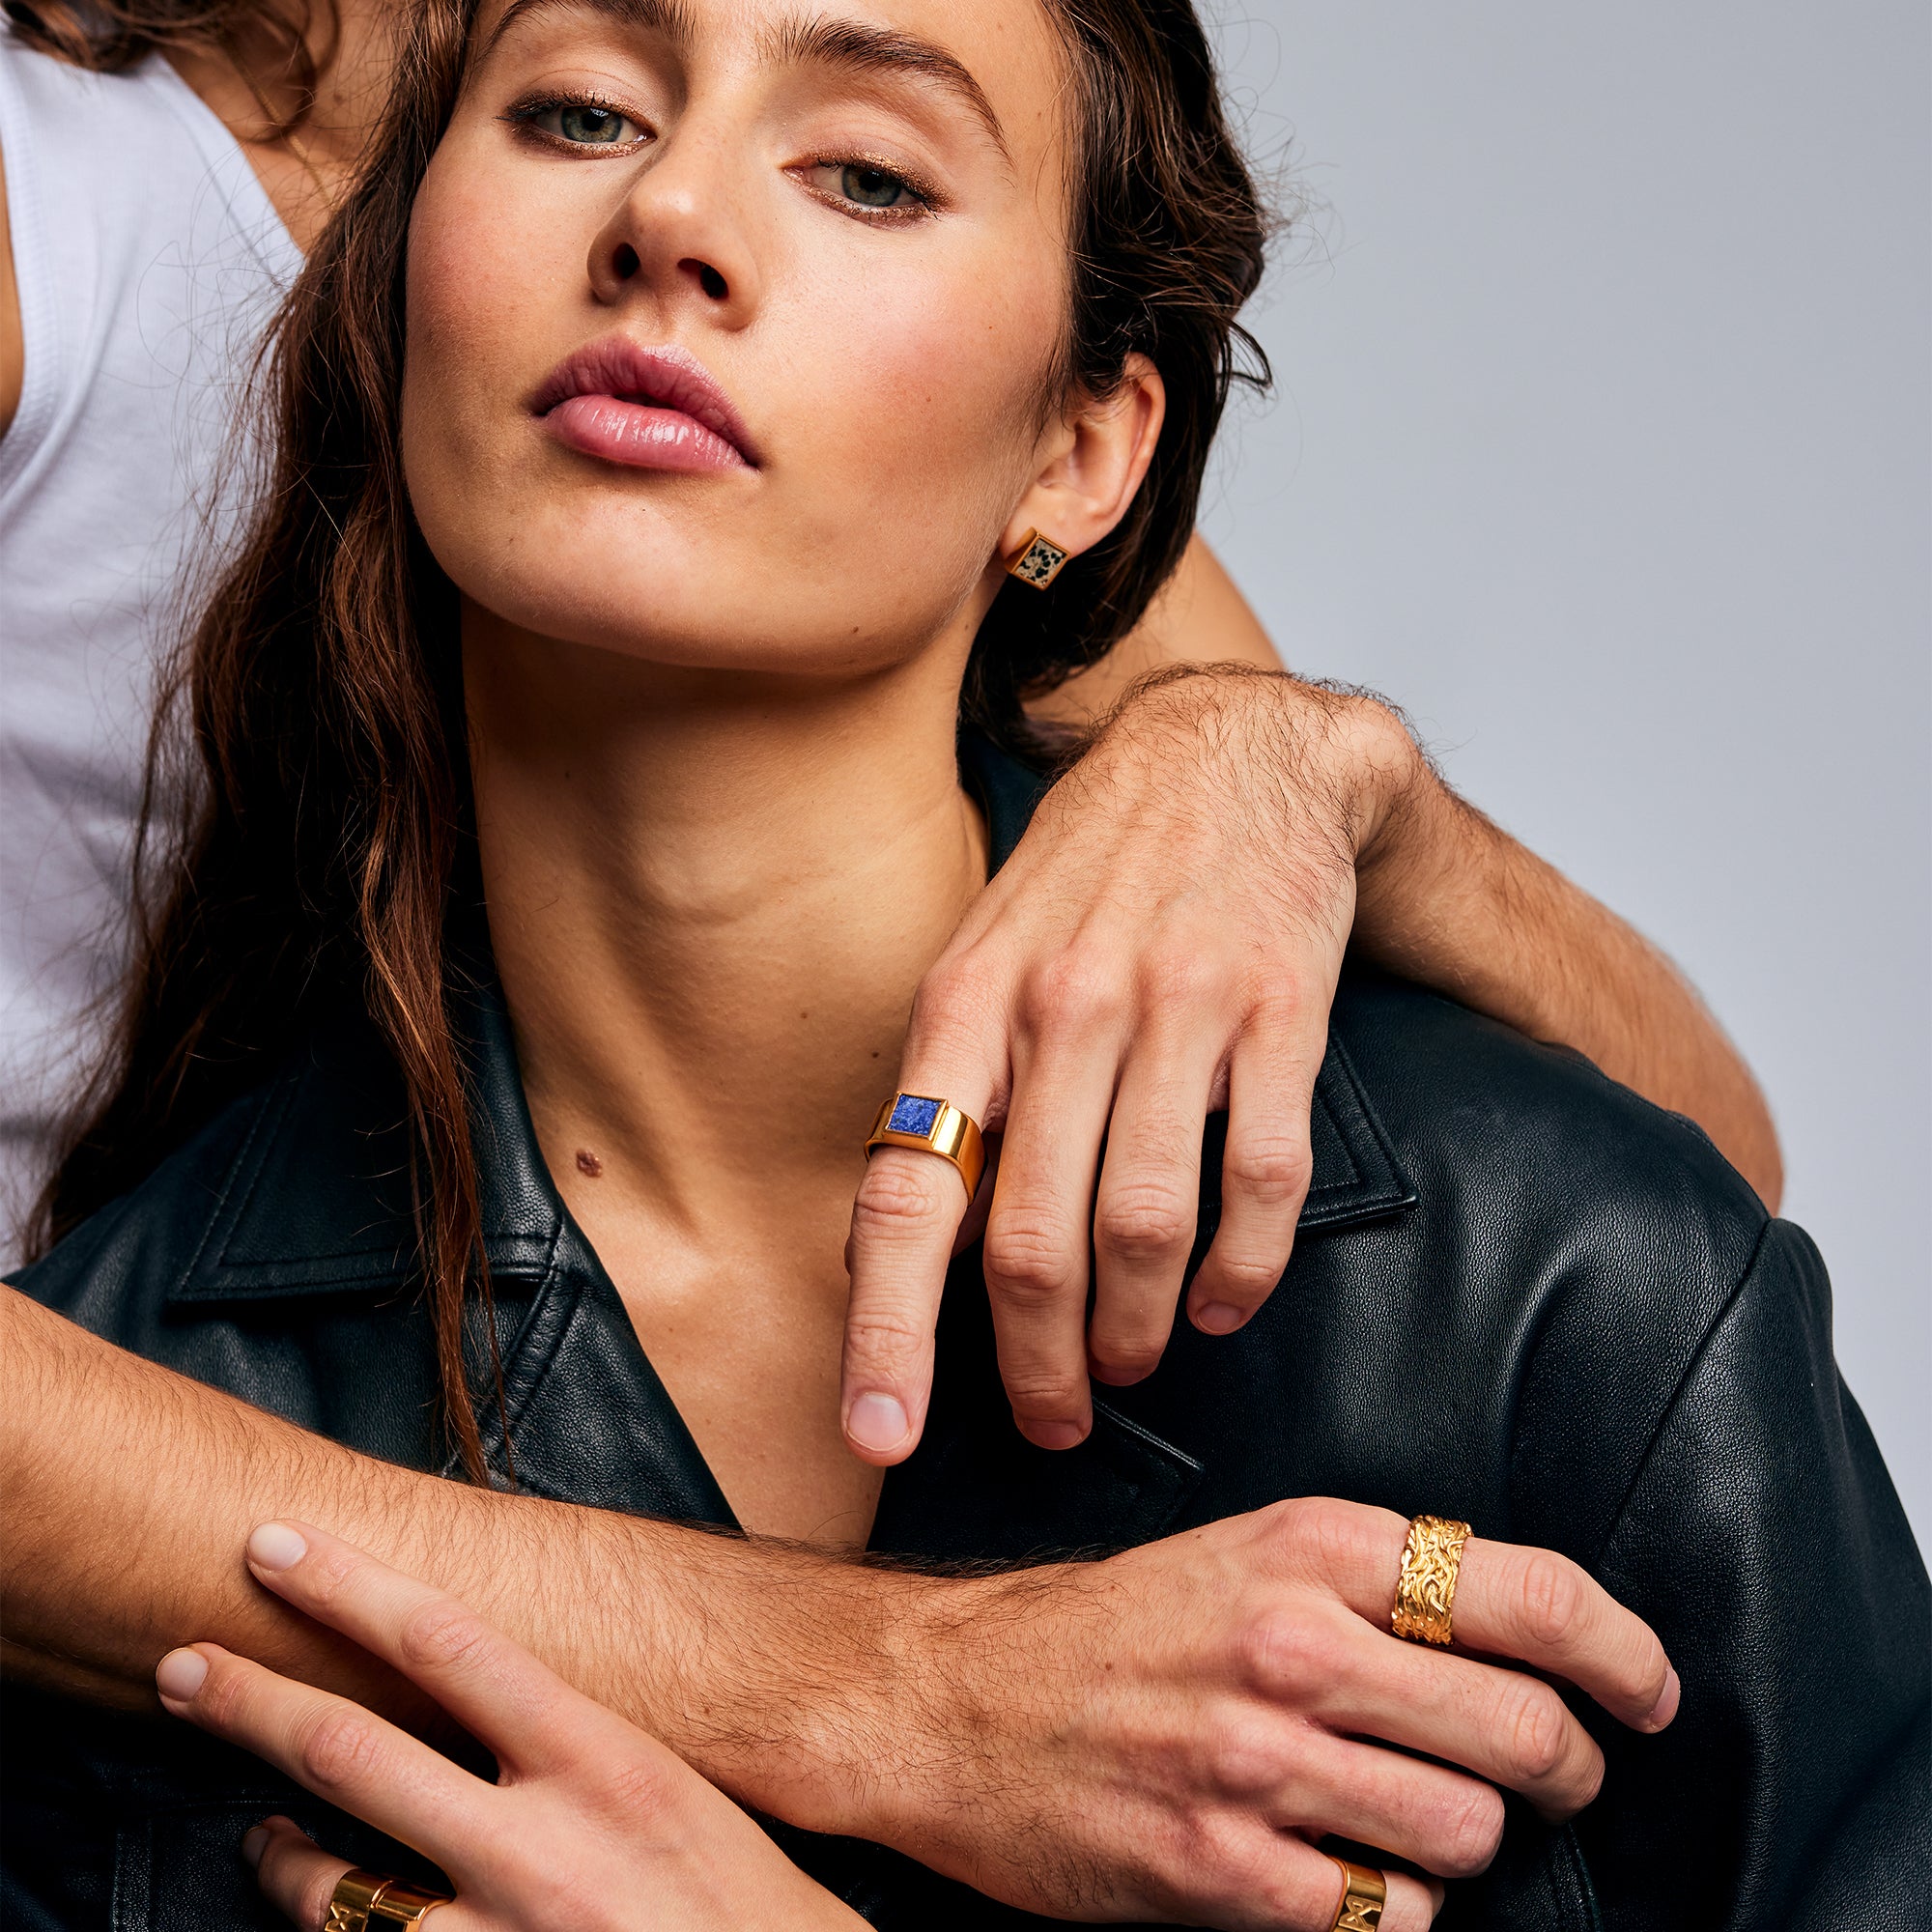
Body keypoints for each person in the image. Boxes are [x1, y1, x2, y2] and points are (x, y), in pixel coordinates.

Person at [6, 4, 1923, 1932]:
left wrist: (1315, 758)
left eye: (867, 172)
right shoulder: (142, 1396)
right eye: (581, 112)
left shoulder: (1540, 1273)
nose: (674, 208)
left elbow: (1718, 1145)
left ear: (1084, 449)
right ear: (403, 289)